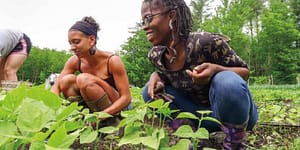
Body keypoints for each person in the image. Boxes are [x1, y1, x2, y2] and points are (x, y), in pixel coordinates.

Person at [140, 0, 258, 149]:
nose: (144, 26)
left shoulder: (205, 42)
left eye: (148, 18)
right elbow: (172, 76)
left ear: (171, 16)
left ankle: (233, 142)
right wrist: (157, 77)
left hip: (234, 114)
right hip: (199, 116)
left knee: (226, 81)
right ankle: (194, 137)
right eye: (142, 21)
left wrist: (215, 69)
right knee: (149, 92)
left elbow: (244, 72)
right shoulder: (156, 55)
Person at [51, 16, 131, 119]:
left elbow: (126, 98)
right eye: (70, 43)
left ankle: (110, 123)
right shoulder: (74, 60)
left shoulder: (112, 61)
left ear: (92, 40)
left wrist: (100, 116)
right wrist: (53, 109)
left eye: (76, 42)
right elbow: (56, 87)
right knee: (66, 80)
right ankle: (81, 119)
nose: (72, 47)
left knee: (84, 79)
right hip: (93, 108)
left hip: (119, 107)